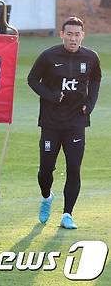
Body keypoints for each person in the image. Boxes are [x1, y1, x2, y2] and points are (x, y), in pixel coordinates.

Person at [27, 17, 101, 229]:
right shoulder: (48, 56)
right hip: (51, 122)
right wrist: (50, 95)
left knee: (74, 168)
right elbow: (32, 79)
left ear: (82, 36)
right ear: (62, 34)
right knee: (45, 170)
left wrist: (90, 103)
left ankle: (67, 214)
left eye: (77, 34)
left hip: (76, 121)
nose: (73, 38)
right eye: (69, 34)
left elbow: (96, 79)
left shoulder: (91, 57)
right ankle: (47, 197)